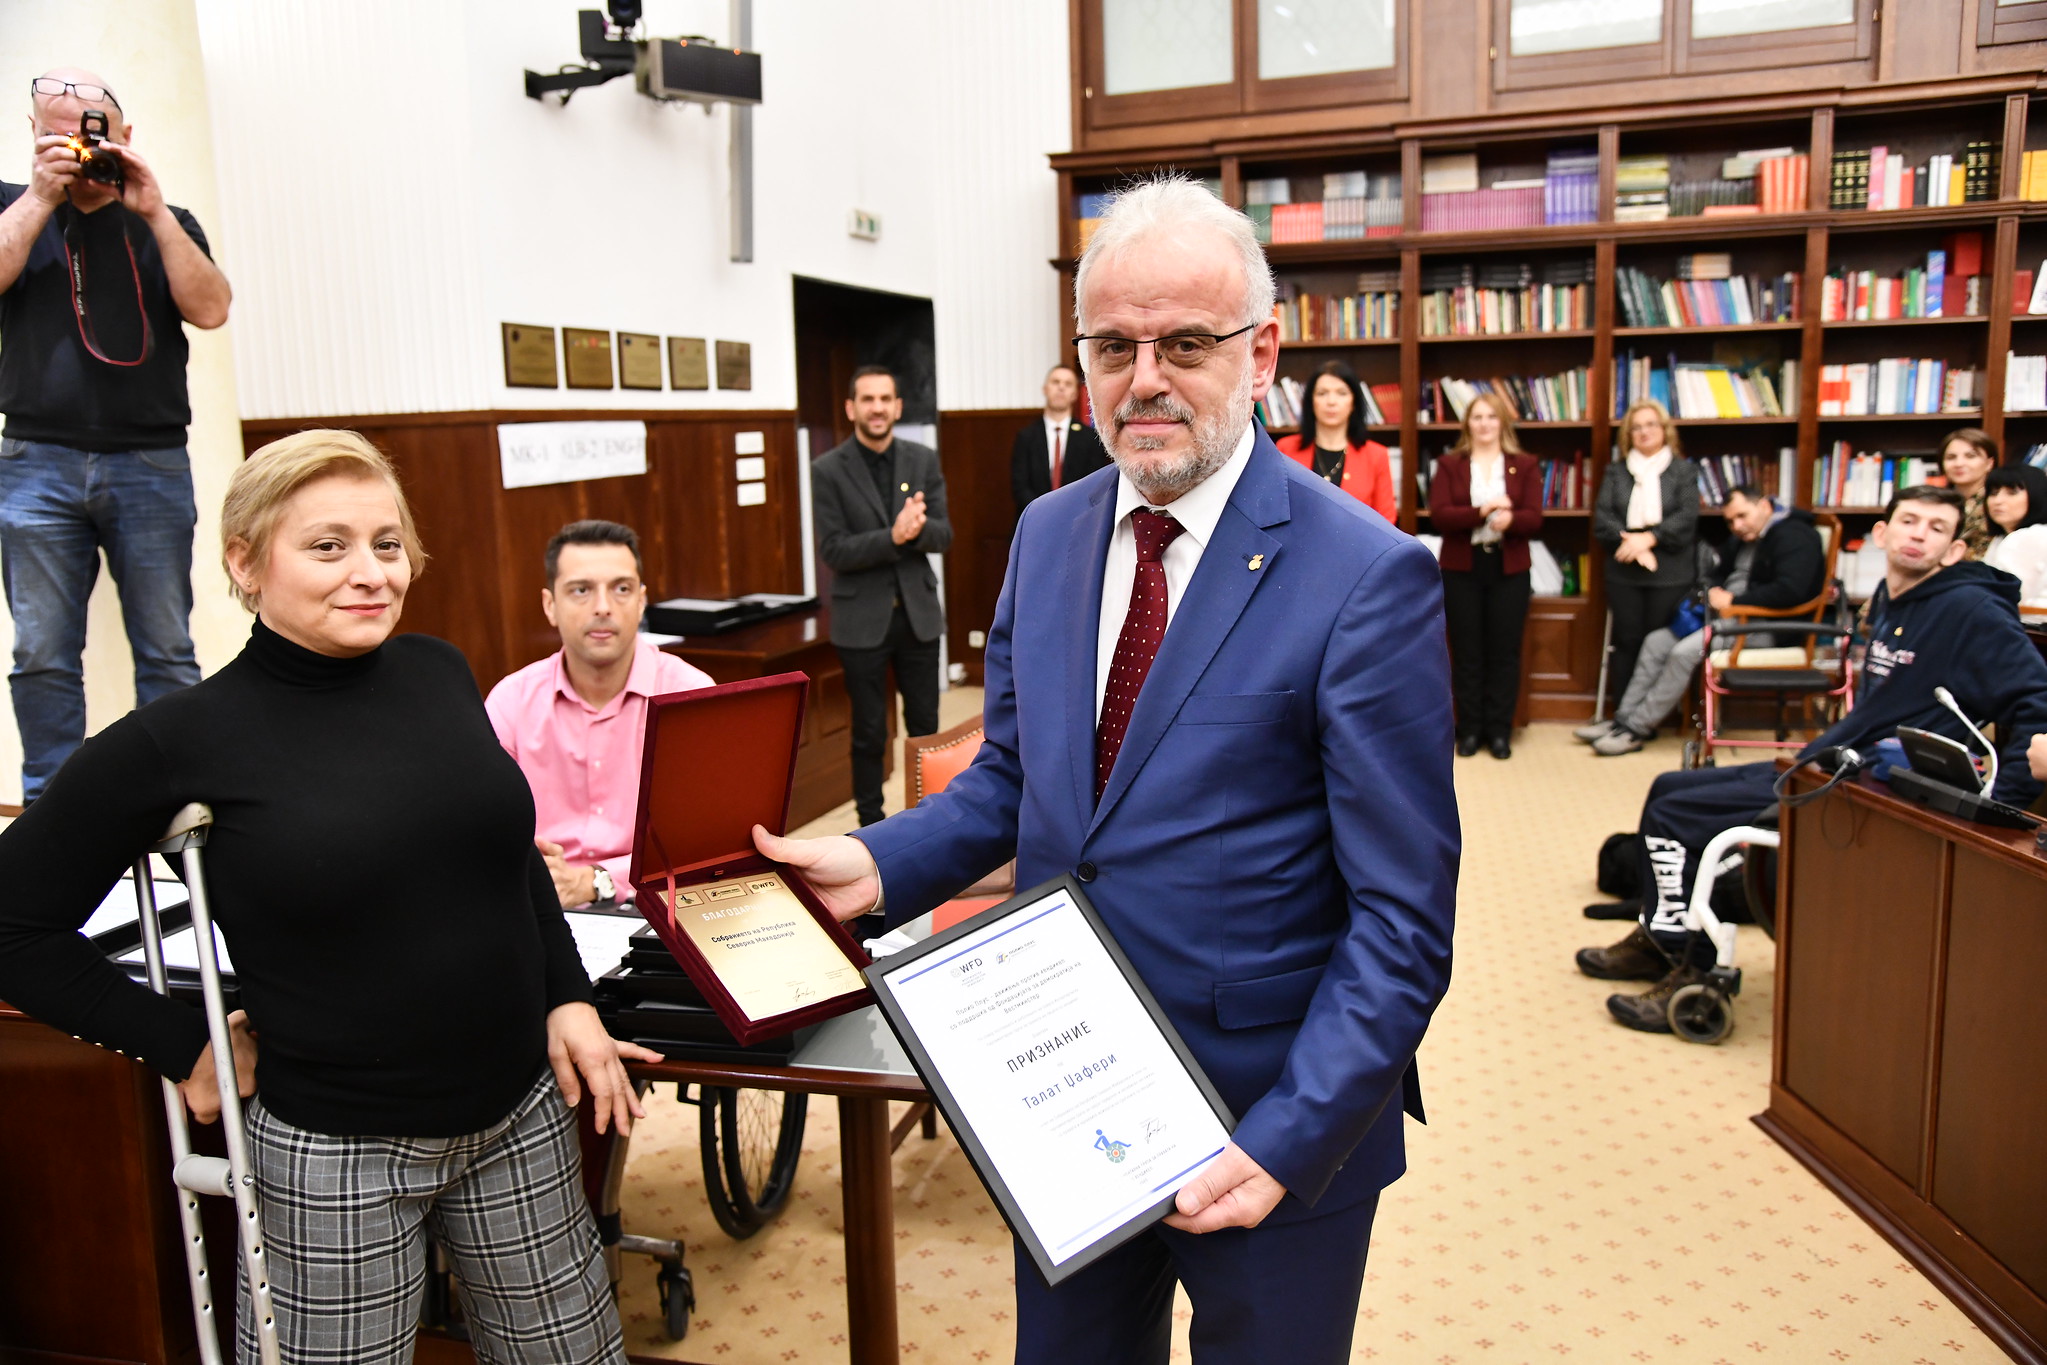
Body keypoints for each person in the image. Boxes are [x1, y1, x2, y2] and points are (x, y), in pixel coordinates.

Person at [754, 177, 1457, 1365]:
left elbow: (1402, 920)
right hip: (1065, 1090)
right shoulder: (1051, 528)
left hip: (1270, 1114)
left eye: (1185, 343)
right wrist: (871, 864)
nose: (1144, 379)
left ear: (1261, 350)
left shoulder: (1364, 575)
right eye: (1113, 346)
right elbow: (1014, 778)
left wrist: (1289, 1138)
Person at [0, 430, 657, 1362]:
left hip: (518, 1117)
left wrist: (566, 995)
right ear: (244, 562)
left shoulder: (436, 670)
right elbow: (12, 923)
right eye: (327, 546)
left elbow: (507, 857)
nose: (370, 573)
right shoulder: (180, 738)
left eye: (387, 545)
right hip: (336, 1154)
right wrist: (177, 1037)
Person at [1577, 486, 2047, 1034]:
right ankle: (1661, 938)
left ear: (1954, 552)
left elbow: (2037, 702)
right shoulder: (1893, 595)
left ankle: (1689, 969)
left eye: (1936, 528)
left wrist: (1998, 812)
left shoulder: (1971, 609)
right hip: (1833, 762)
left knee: (1680, 817)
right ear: (1881, 533)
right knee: (1667, 788)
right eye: (1909, 521)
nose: (1919, 534)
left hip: (1878, 785)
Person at [0, 69, 232, 801]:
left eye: (95, 127)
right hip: (35, 460)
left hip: (150, 459)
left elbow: (213, 307)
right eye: (61, 128)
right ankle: (51, 810)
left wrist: (156, 212)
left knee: (166, 646)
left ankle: (177, 800)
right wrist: (41, 196)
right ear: (35, 136)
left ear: (125, 136)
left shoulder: (166, 218)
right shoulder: (14, 209)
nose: (83, 143)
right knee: (41, 652)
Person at [486, 519, 714, 908]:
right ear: (550, 605)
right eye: (581, 590)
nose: (603, 607)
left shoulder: (690, 695)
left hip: (662, 903)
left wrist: (601, 881)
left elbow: (709, 838)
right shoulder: (510, 701)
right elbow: (486, 833)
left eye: (621, 589)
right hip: (543, 904)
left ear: (641, 601)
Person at [1576, 484, 1825, 756]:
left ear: (1765, 506)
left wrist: (1734, 602)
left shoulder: (1796, 536)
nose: (1736, 526)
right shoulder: (1745, 538)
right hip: (1726, 618)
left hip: (1767, 627)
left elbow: (1791, 591)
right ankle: (1621, 720)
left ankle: (1636, 729)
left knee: (1684, 652)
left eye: (1742, 516)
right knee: (1656, 641)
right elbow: (1720, 573)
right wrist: (1712, 592)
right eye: (1730, 520)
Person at [812, 364, 953, 826]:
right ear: (852, 408)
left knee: (926, 728)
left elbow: (943, 535)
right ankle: (871, 826)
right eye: (867, 400)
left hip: (918, 616)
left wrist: (912, 533)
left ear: (897, 406)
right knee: (870, 732)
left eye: (885, 399)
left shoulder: (921, 459)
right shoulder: (828, 470)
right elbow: (833, 550)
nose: (877, 408)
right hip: (862, 621)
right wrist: (892, 537)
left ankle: (929, 820)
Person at [1427, 392, 1542, 759]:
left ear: (1502, 423)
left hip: (1509, 568)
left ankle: (1499, 731)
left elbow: (1535, 518)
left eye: (1492, 417)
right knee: (1467, 652)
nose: (1485, 424)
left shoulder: (1523, 464)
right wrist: (1482, 511)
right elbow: (1441, 516)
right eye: (1477, 417)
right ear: (1467, 424)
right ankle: (1470, 729)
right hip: (1462, 568)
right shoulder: (1450, 464)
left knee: (1504, 654)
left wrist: (1511, 520)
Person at [1593, 401, 1700, 716]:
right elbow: (1603, 518)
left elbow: (1687, 516)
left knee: (1659, 645)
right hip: (1624, 568)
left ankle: (1651, 718)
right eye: (1636, 427)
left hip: (1670, 571)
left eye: (1650, 424)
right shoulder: (1616, 471)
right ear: (1628, 435)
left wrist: (1650, 538)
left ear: (1664, 430)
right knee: (1627, 643)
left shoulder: (1683, 470)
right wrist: (1635, 543)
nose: (1644, 432)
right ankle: (1623, 715)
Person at [1273, 359, 1396, 522]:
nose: (1331, 402)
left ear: (1353, 402)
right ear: (1311, 401)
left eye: (1341, 393)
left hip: (1358, 546)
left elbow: (1387, 520)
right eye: (1322, 393)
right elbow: (1274, 507)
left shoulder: (1376, 455)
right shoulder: (1286, 449)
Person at [1012, 362, 1110, 516]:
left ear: (1075, 394)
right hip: (1036, 518)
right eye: (1056, 382)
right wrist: (1043, 512)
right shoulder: (1026, 436)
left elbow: (1095, 485)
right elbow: (1020, 486)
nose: (1061, 388)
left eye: (1068, 384)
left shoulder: (1090, 438)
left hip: (1078, 519)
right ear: (1045, 389)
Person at [1983, 464, 2047, 605]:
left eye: (2012, 492)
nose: (1998, 501)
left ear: (2036, 495)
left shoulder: (2031, 536)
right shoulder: (2001, 539)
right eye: (1993, 493)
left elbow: (2005, 597)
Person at [1939, 427, 1998, 560]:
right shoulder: (1938, 504)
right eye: (1951, 457)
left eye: (1970, 456)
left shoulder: (1997, 503)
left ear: (1989, 463)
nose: (1959, 463)